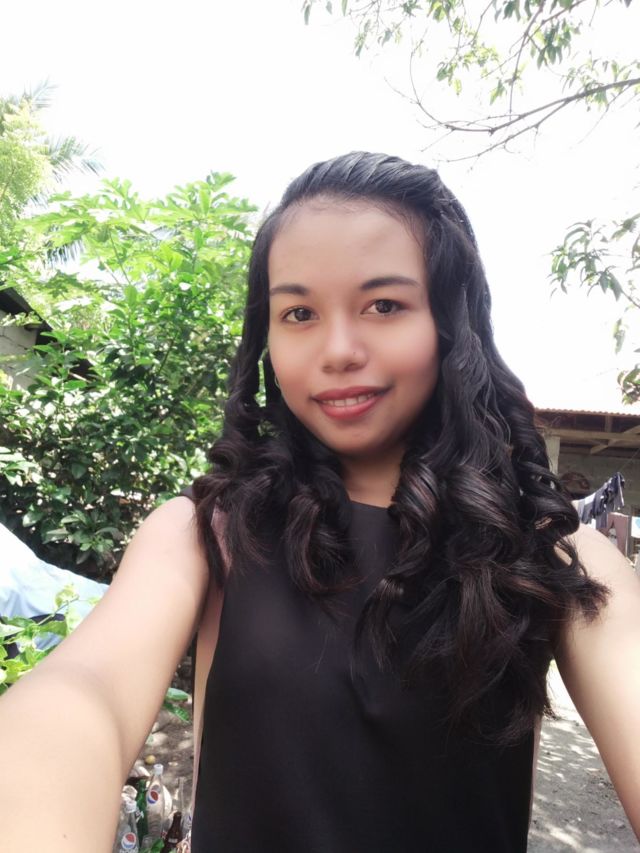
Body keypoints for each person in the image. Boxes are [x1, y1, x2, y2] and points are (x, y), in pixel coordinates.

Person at [1, 152, 639, 852]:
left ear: (450, 323)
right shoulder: (204, 533)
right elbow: (83, 692)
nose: (337, 350)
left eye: (384, 305)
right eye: (299, 312)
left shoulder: (555, 558)